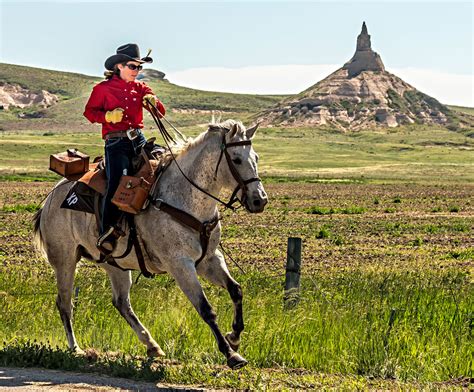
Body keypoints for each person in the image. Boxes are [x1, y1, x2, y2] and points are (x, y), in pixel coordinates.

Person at [83, 43, 166, 254]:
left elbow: (160, 112)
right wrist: (107, 117)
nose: (136, 71)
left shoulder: (141, 88)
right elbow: (90, 113)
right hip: (116, 144)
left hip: (138, 140)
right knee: (116, 182)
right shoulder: (102, 89)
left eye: (139, 67)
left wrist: (153, 101)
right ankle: (106, 232)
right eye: (132, 66)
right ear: (119, 66)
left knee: (164, 168)